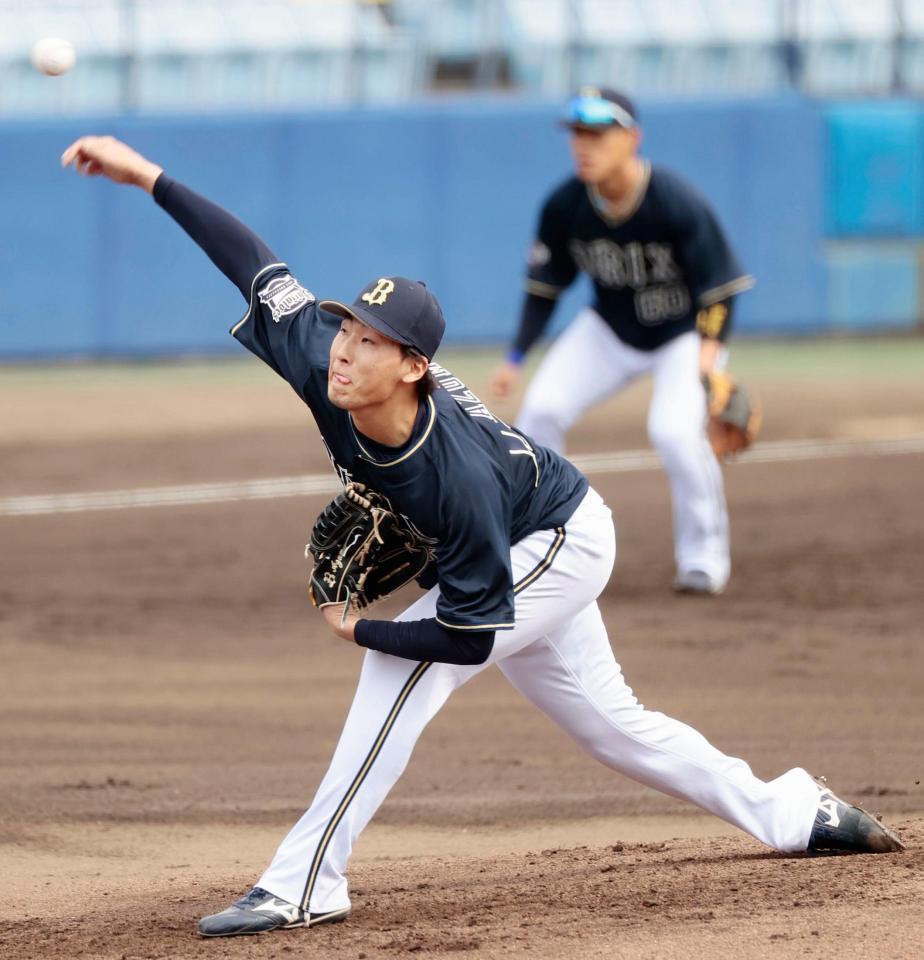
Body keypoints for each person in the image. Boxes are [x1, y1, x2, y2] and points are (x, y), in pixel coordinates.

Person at [61, 135, 903, 940]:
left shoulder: (449, 478)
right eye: (346, 329)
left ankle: (306, 880)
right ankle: (797, 811)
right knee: (616, 726)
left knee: (400, 665)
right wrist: (146, 176)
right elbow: (250, 258)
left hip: (558, 541)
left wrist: (366, 629)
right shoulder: (323, 360)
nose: (346, 352)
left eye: (370, 342)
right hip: (527, 533)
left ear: (415, 367)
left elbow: (466, 639)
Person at [490, 87, 753, 596]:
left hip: (682, 336)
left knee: (676, 432)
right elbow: (544, 291)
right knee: (540, 412)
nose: (583, 145)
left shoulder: (676, 201)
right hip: (608, 330)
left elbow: (720, 290)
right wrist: (515, 357)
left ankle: (704, 558)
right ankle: (530, 543)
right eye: (577, 134)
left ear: (632, 138)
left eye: (597, 134)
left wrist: (707, 360)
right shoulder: (565, 206)